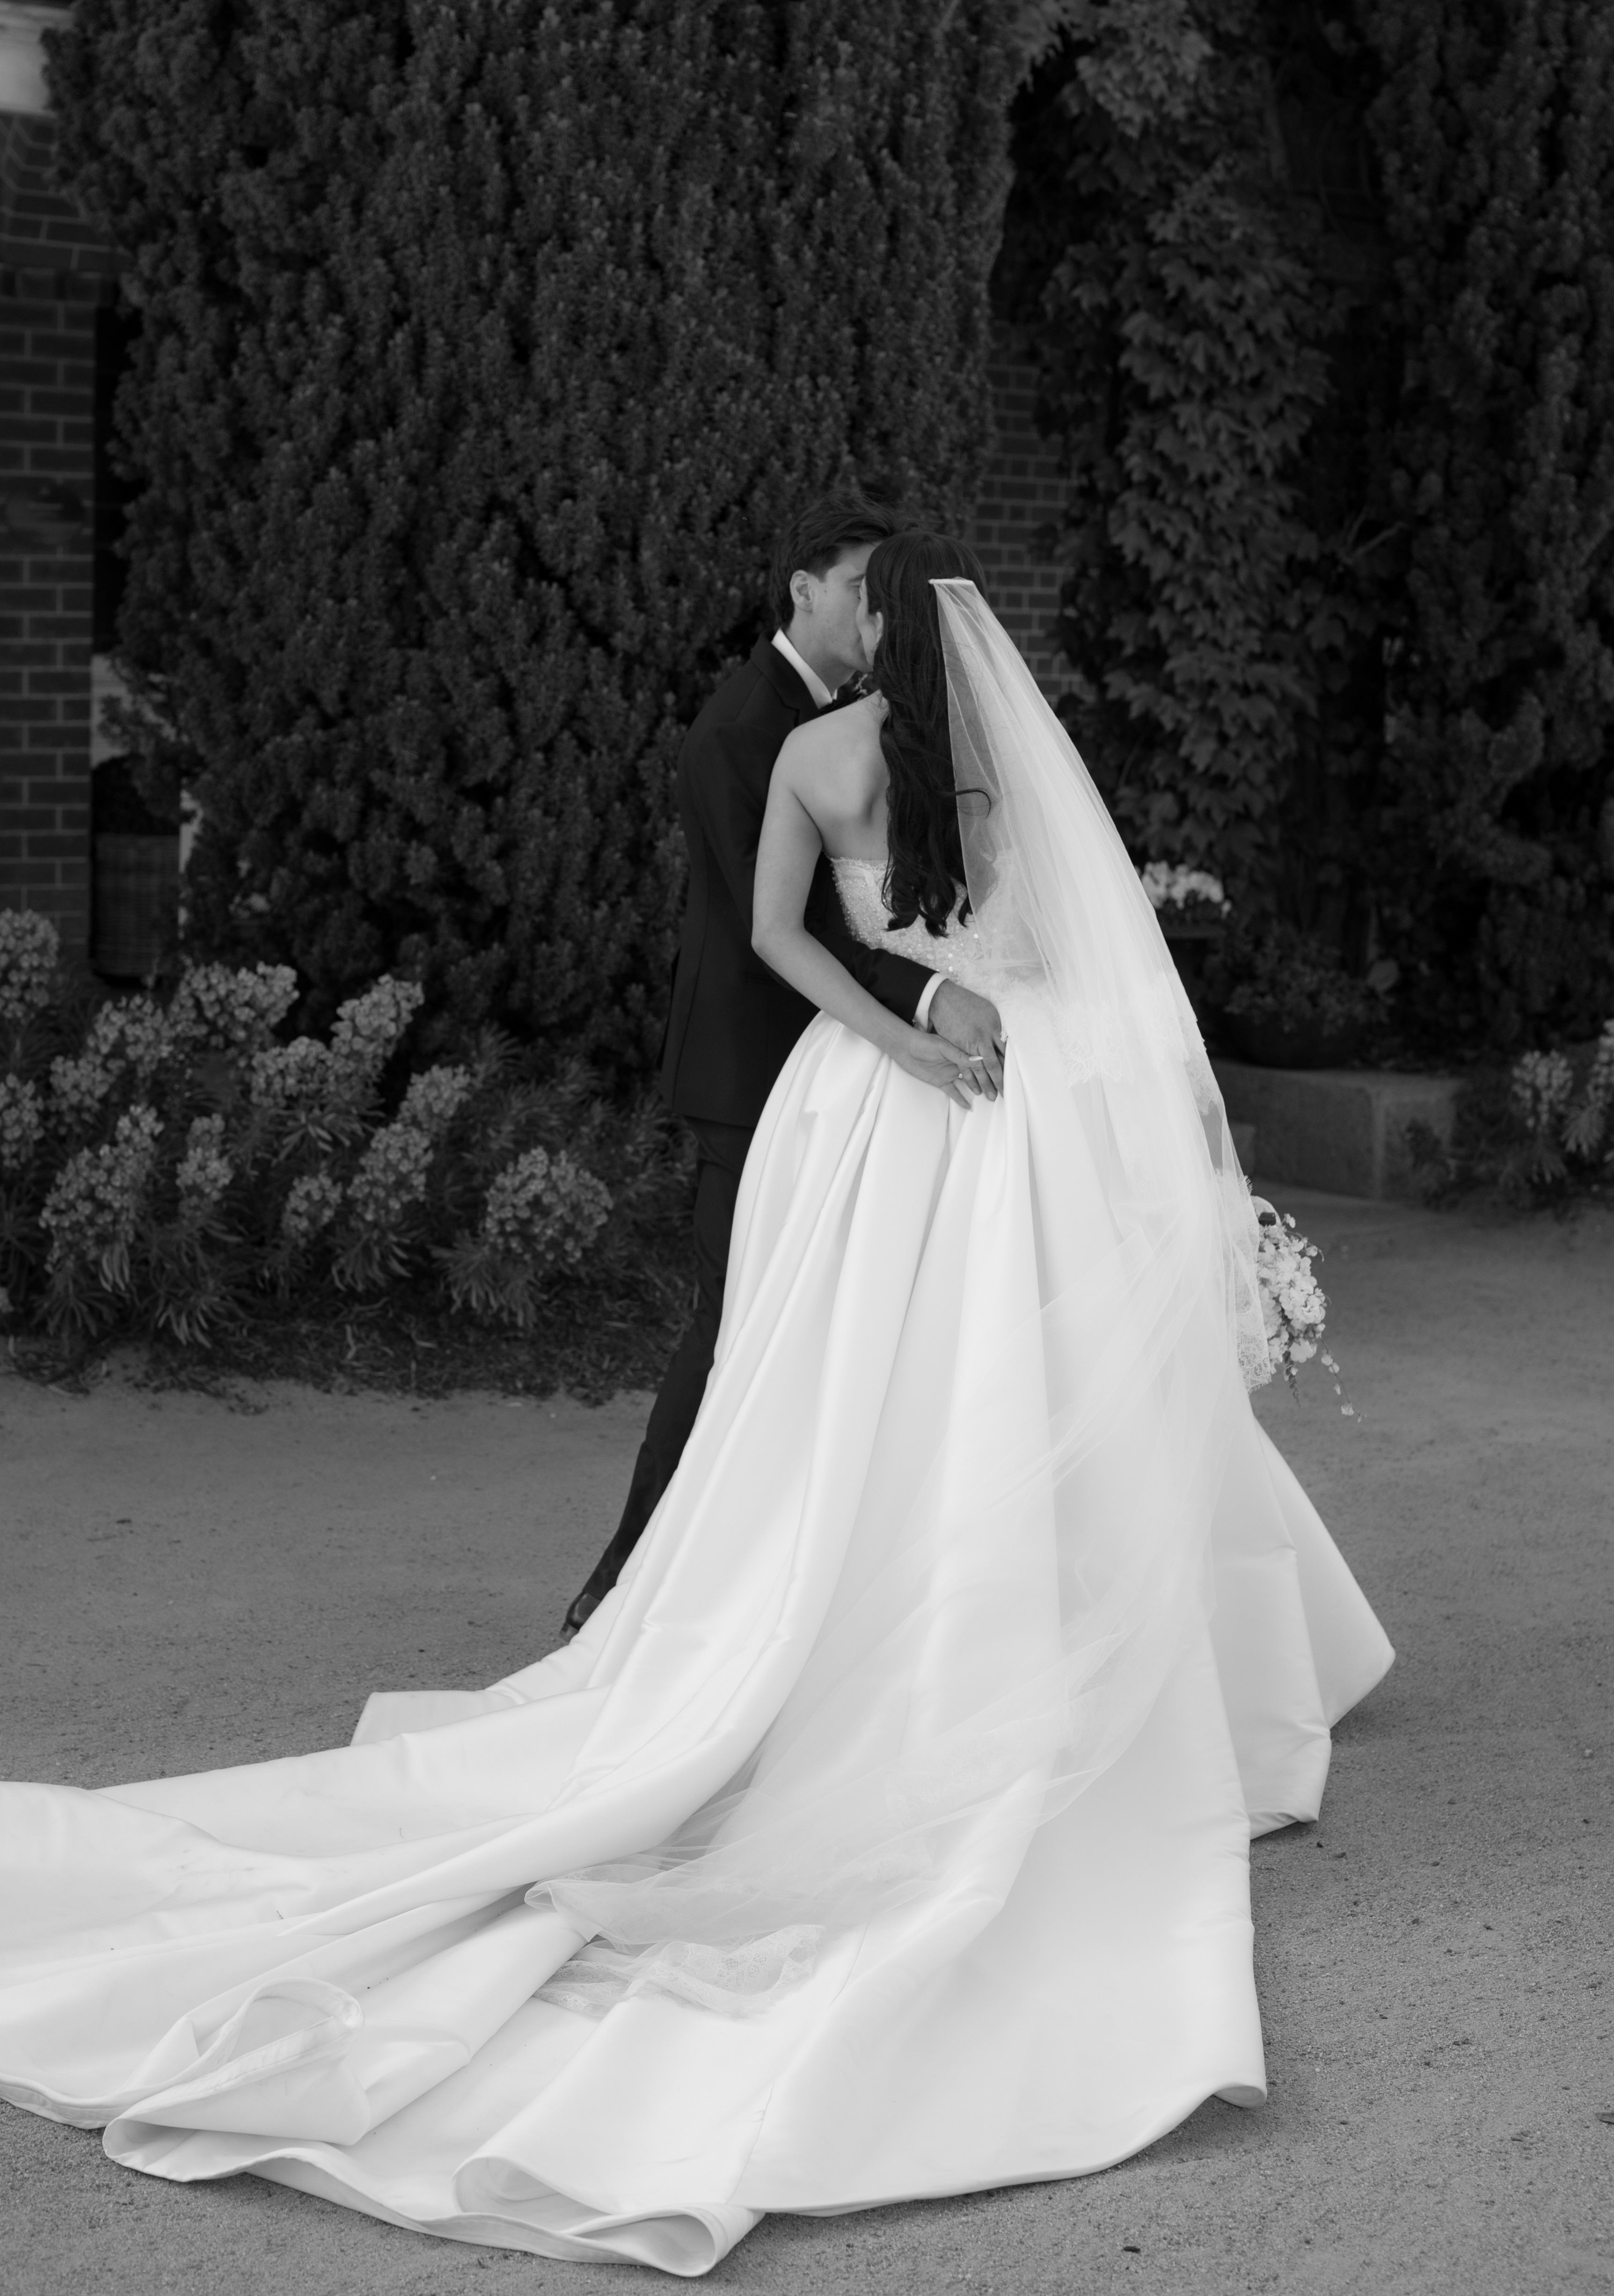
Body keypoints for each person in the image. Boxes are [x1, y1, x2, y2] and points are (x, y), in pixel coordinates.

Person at [0, 537, 1392, 2275]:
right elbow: (1053, 946)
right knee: (999, 1373)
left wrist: (900, 1036)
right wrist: (988, 1030)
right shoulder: (990, 760)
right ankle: (1020, 1634)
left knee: (840, 1383)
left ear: (870, 618)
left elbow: (776, 935)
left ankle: (835, 1612)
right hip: (1009, 1085)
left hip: (874, 1095)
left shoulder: (818, 751)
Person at [561, 493, 1002, 1637]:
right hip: (758, 1070)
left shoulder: (874, 720)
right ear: (805, 592)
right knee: (734, 1324)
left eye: (882, 592)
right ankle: (627, 1576)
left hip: (866, 1059)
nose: (872, 608)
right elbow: (797, 923)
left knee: (855, 1331)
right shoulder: (739, 731)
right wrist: (930, 1003)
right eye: (858, 587)